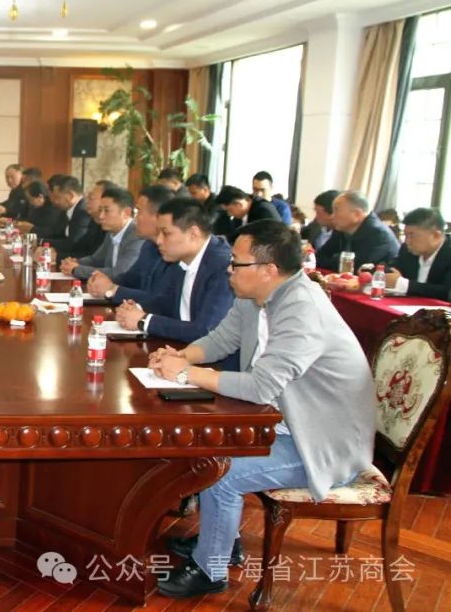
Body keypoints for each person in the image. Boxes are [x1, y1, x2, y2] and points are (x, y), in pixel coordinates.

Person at [149, 220, 374, 599]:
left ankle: (210, 570)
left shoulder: (302, 311)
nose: (228, 269)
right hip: (280, 421)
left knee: (221, 471)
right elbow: (223, 339)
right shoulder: (256, 295)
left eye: (236, 263)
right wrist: (180, 356)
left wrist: (187, 373)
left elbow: (261, 386)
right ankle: (223, 543)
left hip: (321, 442)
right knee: (203, 445)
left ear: (268, 269)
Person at [115, 198, 234, 343]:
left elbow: (206, 330)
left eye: (166, 233)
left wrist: (143, 320)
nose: (159, 240)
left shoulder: (223, 267)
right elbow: (167, 300)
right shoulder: (182, 258)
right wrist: (136, 309)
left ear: (193, 233)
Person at [87, 185, 175, 303]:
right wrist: (103, 281)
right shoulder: (148, 246)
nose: (135, 218)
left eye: (139, 211)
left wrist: (112, 289)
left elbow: (159, 300)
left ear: (158, 217)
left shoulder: (175, 254)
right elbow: (130, 279)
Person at [64, 186, 144, 281]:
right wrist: (75, 262)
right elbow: (96, 260)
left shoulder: (137, 235)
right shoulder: (111, 232)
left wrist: (77, 269)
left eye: (107, 211)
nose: (101, 216)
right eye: (100, 210)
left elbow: (120, 273)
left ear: (126, 213)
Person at [315, 191, 400, 270]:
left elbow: (355, 267)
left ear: (357, 214)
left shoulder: (378, 234)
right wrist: (337, 260)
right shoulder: (342, 228)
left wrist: (336, 259)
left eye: (336, 210)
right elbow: (318, 257)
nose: (333, 216)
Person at [386, 208, 451, 298]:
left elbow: (446, 292)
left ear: (436, 236)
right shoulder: (407, 249)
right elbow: (393, 267)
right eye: (405, 235)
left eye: (412, 235)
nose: (407, 241)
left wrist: (404, 285)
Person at [44, 176, 91, 257]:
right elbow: (56, 233)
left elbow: (73, 244)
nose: (54, 201)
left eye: (57, 197)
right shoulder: (65, 210)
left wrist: (42, 242)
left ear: (70, 196)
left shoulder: (83, 213)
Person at [215, 185, 281, 239]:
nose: (229, 214)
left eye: (229, 210)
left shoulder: (263, 210)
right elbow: (237, 236)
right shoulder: (240, 215)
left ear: (239, 204)